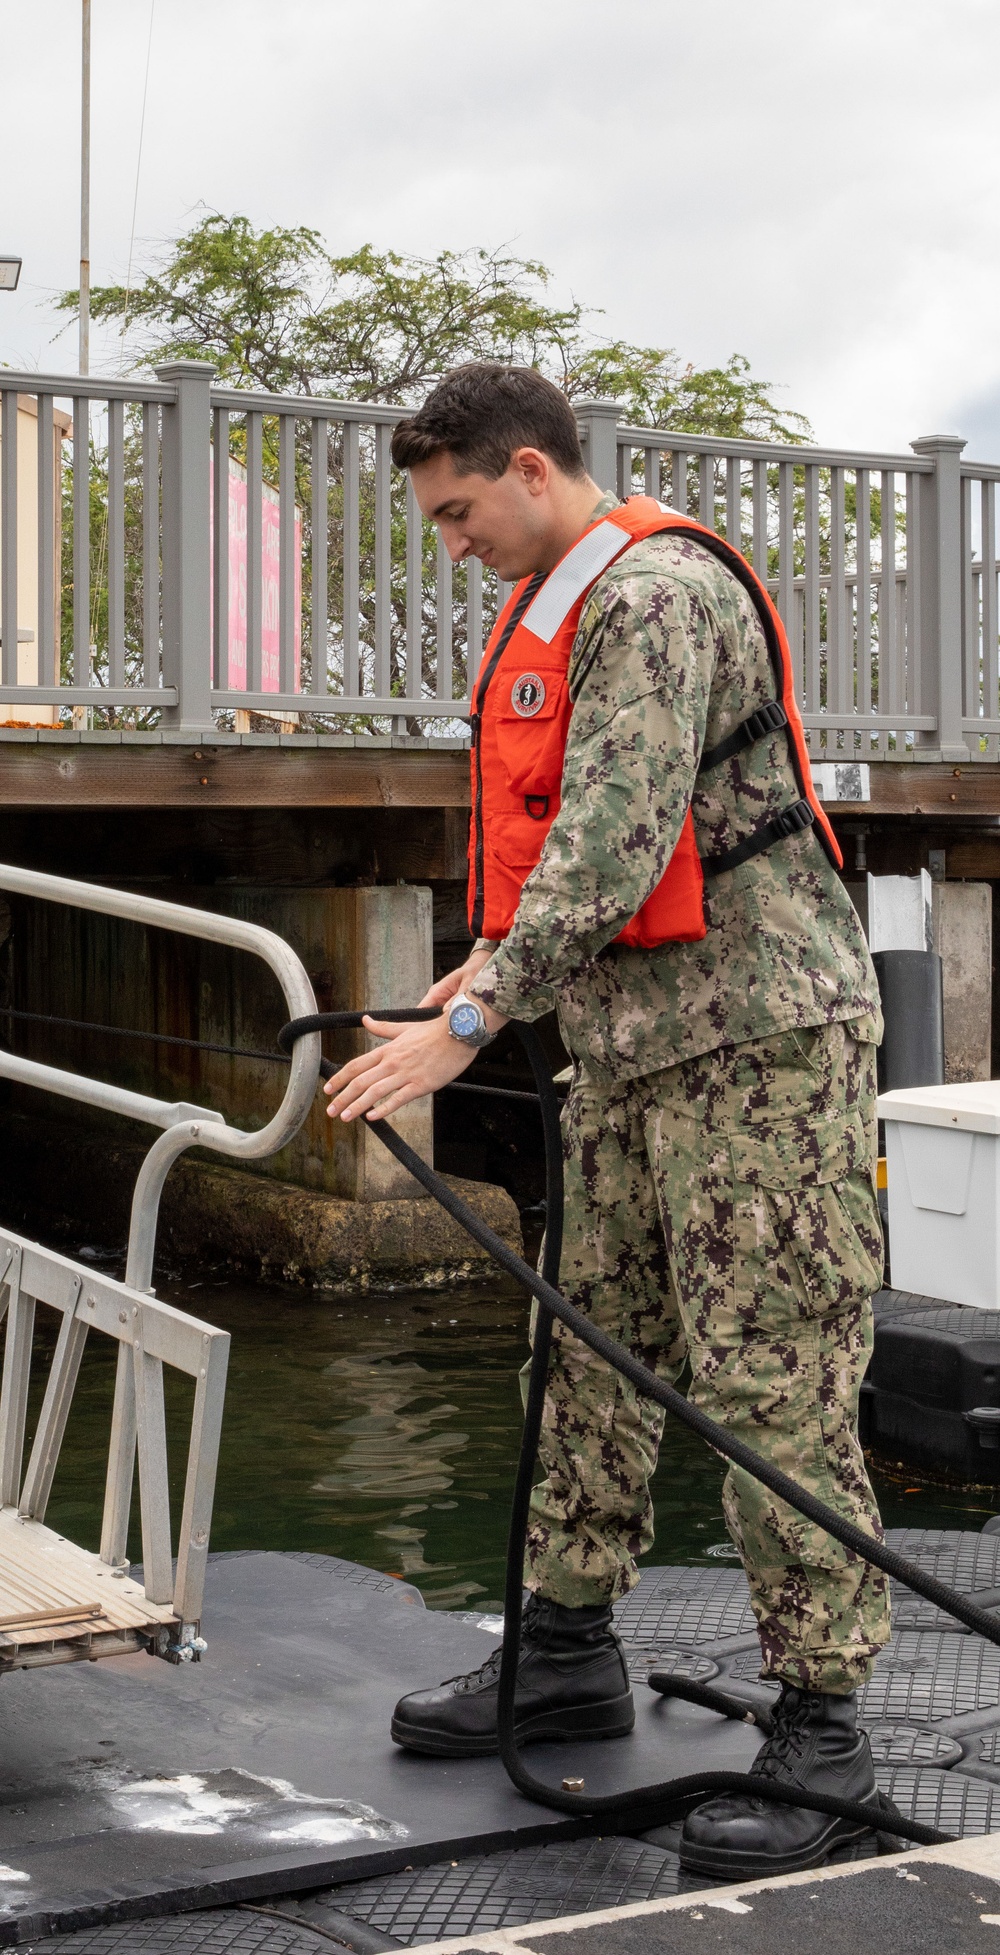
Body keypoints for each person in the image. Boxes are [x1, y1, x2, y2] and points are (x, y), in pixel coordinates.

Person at [323, 362, 890, 1882]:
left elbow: (618, 838)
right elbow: (570, 861)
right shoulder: (560, 604)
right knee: (587, 1348)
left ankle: (824, 1721)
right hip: (633, 1052)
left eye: (458, 514)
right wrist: (475, 981)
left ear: (527, 467)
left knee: (769, 1373)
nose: (454, 547)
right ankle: (566, 1647)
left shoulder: (654, 600)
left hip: (763, 1045)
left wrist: (467, 1025)